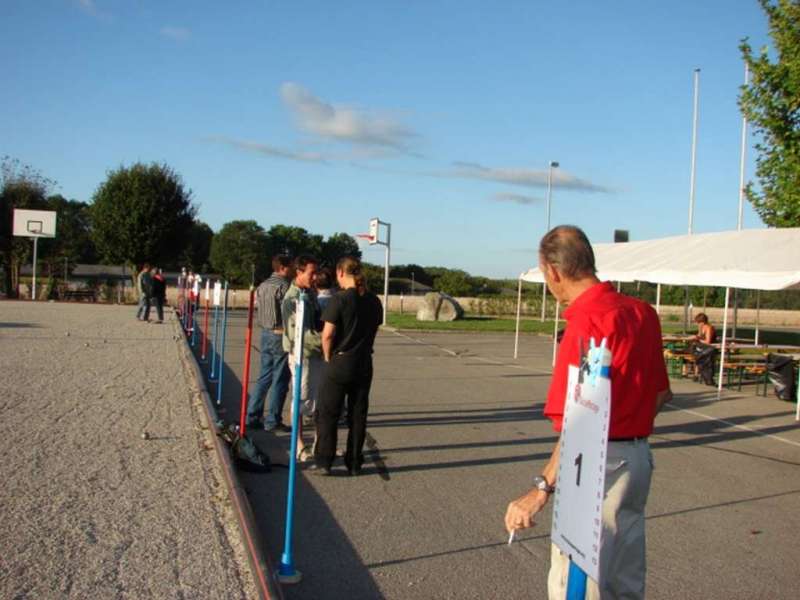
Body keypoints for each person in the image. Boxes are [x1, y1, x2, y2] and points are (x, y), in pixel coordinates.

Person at [504, 225, 672, 600]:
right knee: (623, 581)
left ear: (553, 272)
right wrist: (629, 418)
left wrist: (540, 489)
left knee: (577, 584)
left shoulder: (585, 323)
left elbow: (579, 425)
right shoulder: (643, 313)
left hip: (597, 467)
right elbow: (662, 393)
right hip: (636, 460)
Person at [314, 256, 383, 476]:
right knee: (358, 414)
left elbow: (327, 335)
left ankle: (325, 460)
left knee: (328, 412)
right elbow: (375, 329)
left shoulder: (340, 299)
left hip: (341, 360)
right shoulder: (374, 300)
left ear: (341, 273)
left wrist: (327, 357)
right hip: (364, 361)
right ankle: (354, 461)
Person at [282, 255, 323, 462]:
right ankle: (298, 445)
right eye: (311, 273)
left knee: (316, 400)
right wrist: (327, 341)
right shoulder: (292, 299)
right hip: (302, 355)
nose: (315, 277)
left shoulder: (309, 294)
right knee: (301, 398)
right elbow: (301, 335)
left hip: (315, 355)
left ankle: (319, 444)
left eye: (316, 272)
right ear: (298, 272)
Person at [246, 256, 294, 432]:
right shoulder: (284, 286)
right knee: (280, 378)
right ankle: (273, 419)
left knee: (264, 376)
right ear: (283, 268)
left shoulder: (263, 285)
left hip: (265, 332)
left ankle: (253, 414)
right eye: (291, 267)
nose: (294, 270)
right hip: (279, 333)